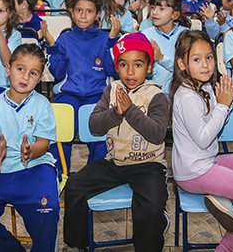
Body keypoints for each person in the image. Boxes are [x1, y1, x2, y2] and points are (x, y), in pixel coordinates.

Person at [62, 32, 169, 252]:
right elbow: (93, 126)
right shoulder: (111, 90)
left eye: (137, 65)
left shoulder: (156, 95)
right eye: (123, 65)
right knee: (74, 186)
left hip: (148, 165)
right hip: (114, 162)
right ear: (116, 67)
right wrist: (116, 113)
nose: (130, 71)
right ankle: (77, 244)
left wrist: (130, 110)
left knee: (151, 208)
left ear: (149, 67)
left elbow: (157, 134)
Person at [171, 30, 233, 251]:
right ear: (182, 64)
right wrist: (223, 105)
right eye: (196, 59)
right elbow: (204, 139)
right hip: (194, 172)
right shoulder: (186, 96)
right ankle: (226, 248)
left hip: (207, 162)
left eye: (209, 57)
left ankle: (221, 199)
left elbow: (217, 124)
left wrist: (227, 101)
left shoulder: (203, 86)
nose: (205, 65)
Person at [0, 44, 59, 251]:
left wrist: (30, 151)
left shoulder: (42, 104)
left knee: (48, 211)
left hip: (37, 168)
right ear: (8, 69)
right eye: (20, 69)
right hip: (3, 169)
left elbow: (43, 144)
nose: (25, 77)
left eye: (33, 73)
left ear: (39, 79)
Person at [40, 0, 119, 175]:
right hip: (69, 93)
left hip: (97, 94)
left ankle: (95, 176)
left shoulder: (105, 38)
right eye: (79, 10)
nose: (83, 15)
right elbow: (58, 72)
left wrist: (112, 41)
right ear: (72, 12)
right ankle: (58, 174)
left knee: (99, 133)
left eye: (89, 11)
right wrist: (52, 45)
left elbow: (112, 70)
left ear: (98, 14)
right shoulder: (65, 38)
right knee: (60, 126)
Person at [139, 0, 189, 97]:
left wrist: (161, 59)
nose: (154, 12)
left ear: (175, 15)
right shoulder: (146, 34)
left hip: (181, 93)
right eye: (153, 7)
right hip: (153, 93)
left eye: (161, 9)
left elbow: (186, 70)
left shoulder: (185, 35)